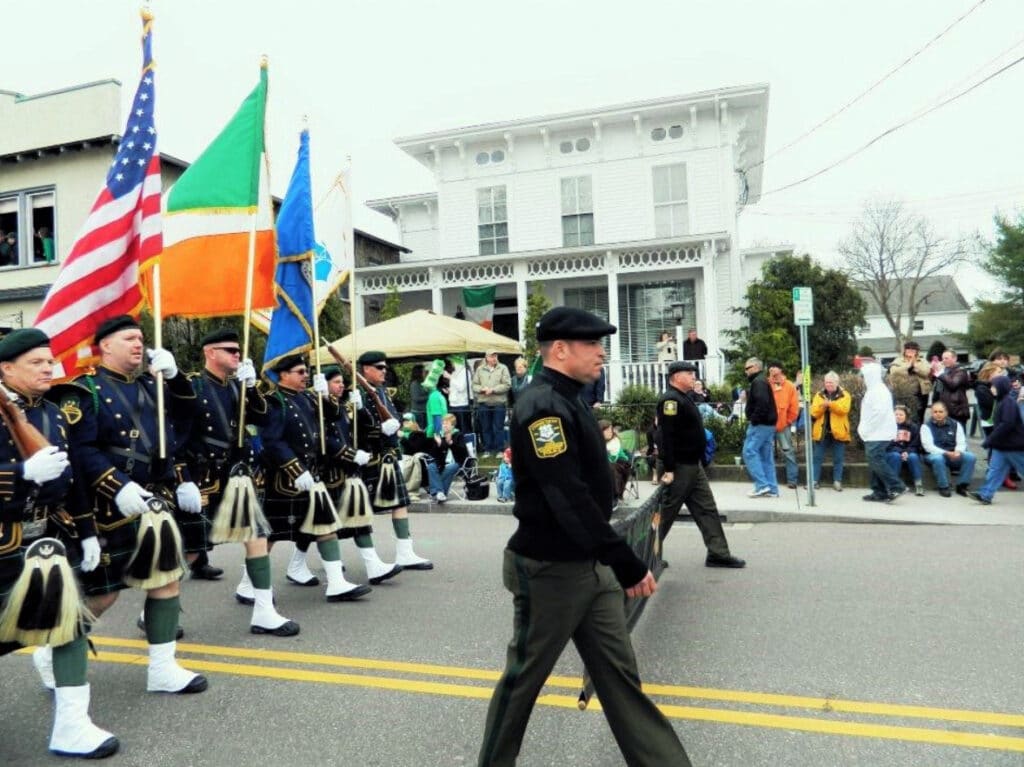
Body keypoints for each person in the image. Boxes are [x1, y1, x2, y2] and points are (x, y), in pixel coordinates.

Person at [477, 306, 692, 767]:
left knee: (620, 680)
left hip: (591, 567)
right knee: (522, 684)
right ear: (559, 350)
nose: (601, 354)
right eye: (593, 345)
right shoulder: (540, 406)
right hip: (550, 570)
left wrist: (608, 559)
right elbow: (565, 495)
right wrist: (624, 558)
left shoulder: (572, 397)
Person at [56, 315, 207, 694]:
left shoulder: (149, 384)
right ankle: (58, 647)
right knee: (105, 592)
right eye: (129, 339)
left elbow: (189, 418)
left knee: (166, 579)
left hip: (155, 499)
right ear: (105, 346)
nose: (139, 345)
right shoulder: (84, 391)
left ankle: (162, 668)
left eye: (141, 338)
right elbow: (81, 450)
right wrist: (116, 485)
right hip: (112, 505)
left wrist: (174, 378)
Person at [0, 328, 119, 758]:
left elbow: (73, 481)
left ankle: (72, 726)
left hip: (46, 541)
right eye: (37, 362)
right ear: (6, 369)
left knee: (69, 628)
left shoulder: (51, 411)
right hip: (2, 544)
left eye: (50, 361)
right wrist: (20, 475)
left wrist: (87, 531)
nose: (49, 367)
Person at [184, 328, 299, 635]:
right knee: (190, 548)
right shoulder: (193, 385)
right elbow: (177, 434)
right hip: (203, 476)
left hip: (235, 475)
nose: (237, 355)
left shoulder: (238, 386)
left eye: (238, 350)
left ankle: (263, 610)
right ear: (210, 352)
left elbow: (262, 418)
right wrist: (183, 478)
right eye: (230, 350)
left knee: (257, 536)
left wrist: (252, 386)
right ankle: (151, 608)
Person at [260, 355, 371, 602]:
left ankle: (336, 582)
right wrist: (294, 469)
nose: (305, 376)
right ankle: (248, 584)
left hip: (311, 474)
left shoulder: (307, 397)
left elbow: (331, 416)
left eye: (306, 372)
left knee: (325, 525)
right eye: (300, 372)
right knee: (269, 536)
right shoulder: (274, 401)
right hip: (286, 479)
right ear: (283, 375)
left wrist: (323, 396)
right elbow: (272, 441)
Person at [658, 360, 745, 569]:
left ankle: (718, 553)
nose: (693, 377)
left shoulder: (683, 398)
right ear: (676, 376)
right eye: (689, 373)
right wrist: (669, 469)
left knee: (707, 509)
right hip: (679, 467)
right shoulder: (670, 401)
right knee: (666, 513)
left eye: (693, 373)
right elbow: (666, 437)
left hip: (692, 466)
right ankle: (640, 557)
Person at [354, 351, 434, 571]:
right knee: (357, 511)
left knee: (400, 503)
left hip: (387, 456)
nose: (384, 371)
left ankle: (405, 552)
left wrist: (394, 425)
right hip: (369, 458)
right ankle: (315, 559)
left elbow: (394, 415)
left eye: (385, 367)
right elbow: (353, 430)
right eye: (379, 367)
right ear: (366, 369)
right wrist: (378, 430)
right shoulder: (357, 392)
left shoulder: (381, 391)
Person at [969, 375, 1024, 505]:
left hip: (1013, 445)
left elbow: (1007, 424)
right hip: (1002, 445)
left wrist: (990, 440)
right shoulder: (1002, 401)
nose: (991, 389)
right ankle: (985, 495)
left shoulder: (1008, 403)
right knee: (995, 470)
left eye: (994, 386)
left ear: (1001, 387)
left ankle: (986, 494)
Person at [859, 361, 907, 503]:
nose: (862, 379)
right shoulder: (875, 389)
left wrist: (865, 429)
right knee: (875, 460)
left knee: (875, 459)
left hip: (878, 432)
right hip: (877, 432)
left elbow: (878, 414)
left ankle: (897, 486)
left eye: (864, 376)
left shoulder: (878, 391)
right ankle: (879, 491)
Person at [920, 401, 976, 498]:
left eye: (941, 412)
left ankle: (962, 486)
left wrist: (958, 452)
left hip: (953, 454)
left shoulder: (956, 424)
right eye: (935, 412)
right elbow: (928, 447)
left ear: (946, 412)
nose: (938, 414)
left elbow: (961, 442)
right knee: (938, 458)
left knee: (970, 457)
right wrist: (946, 453)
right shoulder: (926, 426)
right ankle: (943, 487)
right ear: (931, 413)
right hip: (933, 455)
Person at [741, 357, 779, 498]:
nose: (745, 371)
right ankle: (772, 489)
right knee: (765, 456)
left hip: (761, 424)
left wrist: (754, 419)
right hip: (768, 424)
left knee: (749, 452)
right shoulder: (762, 381)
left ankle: (762, 486)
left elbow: (762, 403)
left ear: (756, 367)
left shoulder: (758, 382)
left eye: (747, 368)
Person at [810, 371, 852, 491]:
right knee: (817, 457)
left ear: (837, 383)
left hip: (838, 432)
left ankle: (837, 481)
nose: (828, 385)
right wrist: (823, 407)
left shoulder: (845, 395)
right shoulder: (819, 395)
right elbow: (813, 412)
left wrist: (830, 404)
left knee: (838, 458)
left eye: (831, 382)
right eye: (826, 382)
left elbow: (844, 409)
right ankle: (814, 481)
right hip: (822, 431)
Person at [472, 349, 511, 457]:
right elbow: (474, 385)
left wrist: (493, 390)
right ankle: (487, 449)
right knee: (485, 427)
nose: (494, 358)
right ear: (487, 358)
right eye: (492, 356)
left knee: (498, 427)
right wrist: (482, 389)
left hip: (499, 403)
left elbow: (507, 384)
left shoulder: (503, 368)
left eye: (495, 355)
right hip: (483, 403)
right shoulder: (479, 369)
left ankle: (500, 450)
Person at [768, 362, 800, 489]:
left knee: (788, 452)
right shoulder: (765, 384)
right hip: (767, 425)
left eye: (774, 367)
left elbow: (794, 408)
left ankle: (792, 480)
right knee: (766, 452)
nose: (772, 369)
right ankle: (768, 481)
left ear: (780, 369)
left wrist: (787, 421)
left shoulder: (790, 386)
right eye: (770, 368)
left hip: (783, 425)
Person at [886, 340, 932, 424]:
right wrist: (909, 366)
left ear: (917, 351)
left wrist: (914, 368)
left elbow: (926, 372)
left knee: (919, 416)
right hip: (903, 394)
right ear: (904, 350)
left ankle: (918, 434)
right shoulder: (898, 360)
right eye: (908, 349)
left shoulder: (922, 361)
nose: (910, 351)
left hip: (920, 394)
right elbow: (894, 371)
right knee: (904, 415)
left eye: (913, 349)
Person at [885, 405, 925, 496]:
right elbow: (888, 444)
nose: (898, 416)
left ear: (906, 416)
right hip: (893, 452)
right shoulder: (888, 427)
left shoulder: (913, 427)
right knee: (895, 456)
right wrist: (901, 452)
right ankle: (893, 485)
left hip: (909, 452)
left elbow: (915, 443)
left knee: (914, 457)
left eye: (901, 414)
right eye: (896, 414)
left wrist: (907, 452)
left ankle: (918, 484)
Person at [931, 350, 970, 432]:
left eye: (946, 358)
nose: (944, 360)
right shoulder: (943, 372)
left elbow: (953, 385)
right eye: (943, 358)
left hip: (957, 410)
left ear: (955, 359)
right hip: (943, 409)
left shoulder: (961, 371)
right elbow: (937, 390)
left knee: (959, 436)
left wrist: (941, 373)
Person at [598, 418, 631, 500]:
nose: (610, 432)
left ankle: (614, 495)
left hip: (622, 462)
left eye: (611, 430)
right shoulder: (598, 441)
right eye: (607, 430)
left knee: (611, 468)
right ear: (600, 431)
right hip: (609, 463)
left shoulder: (614, 442)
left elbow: (612, 459)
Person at [447, 356, 473, 436]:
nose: (451, 364)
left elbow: (461, 387)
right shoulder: (454, 373)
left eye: (452, 362)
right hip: (453, 404)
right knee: (454, 429)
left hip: (462, 405)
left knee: (464, 429)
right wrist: (450, 391)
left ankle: (467, 445)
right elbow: (455, 387)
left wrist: (450, 377)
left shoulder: (465, 372)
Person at [408, 363, 428, 429]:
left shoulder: (423, 383)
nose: (426, 373)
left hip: (424, 412)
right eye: (424, 371)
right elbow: (416, 398)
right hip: (418, 413)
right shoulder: (415, 384)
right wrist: (429, 396)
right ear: (419, 373)